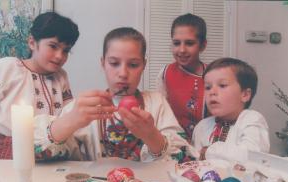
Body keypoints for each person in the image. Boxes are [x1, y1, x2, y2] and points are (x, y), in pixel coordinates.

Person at [34, 27, 191, 162]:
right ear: (103, 63)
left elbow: (184, 158)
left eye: (133, 65)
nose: (123, 73)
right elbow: (37, 151)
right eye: (114, 63)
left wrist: (151, 136)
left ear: (144, 65)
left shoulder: (156, 103)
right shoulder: (85, 106)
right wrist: (70, 121)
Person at [0, 12, 80, 160]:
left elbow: (67, 116)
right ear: (32, 42)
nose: (60, 56)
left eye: (66, 50)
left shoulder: (61, 76)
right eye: (53, 46)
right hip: (12, 152)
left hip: (56, 153)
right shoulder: (9, 68)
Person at [192, 57, 270, 163]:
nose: (212, 92)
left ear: (245, 94)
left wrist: (210, 151)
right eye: (208, 87)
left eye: (222, 85)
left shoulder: (252, 119)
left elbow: (252, 156)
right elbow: (196, 163)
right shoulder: (202, 126)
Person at [157, 13, 208, 142]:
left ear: (202, 45)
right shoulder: (165, 73)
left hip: (205, 144)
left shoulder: (213, 75)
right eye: (176, 43)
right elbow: (160, 110)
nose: (182, 50)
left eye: (189, 43)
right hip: (173, 143)